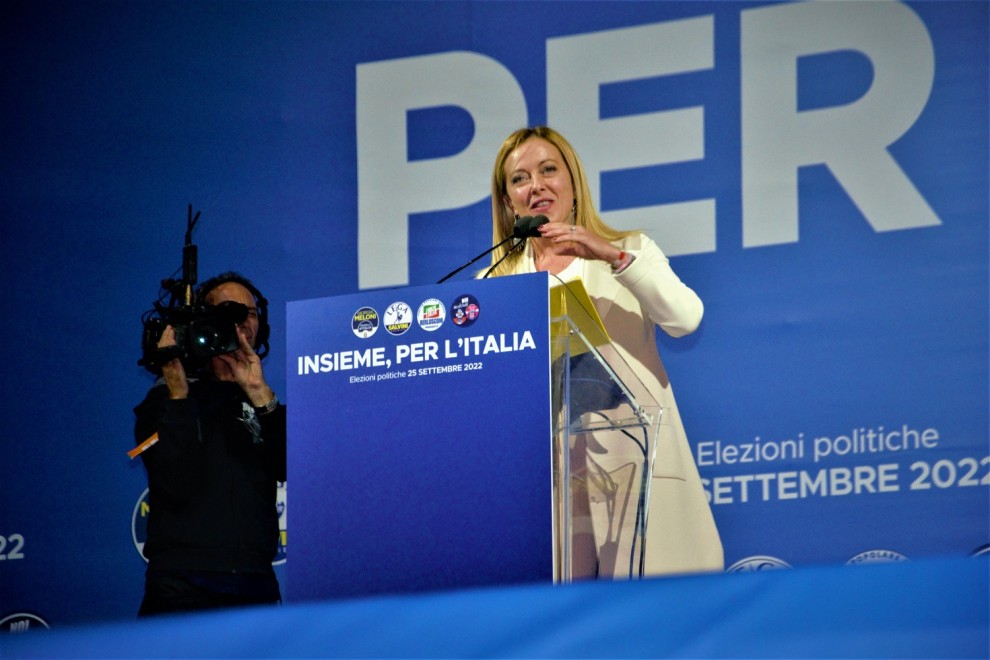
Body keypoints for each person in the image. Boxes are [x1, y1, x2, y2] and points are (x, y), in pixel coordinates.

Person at [488, 126, 723, 577]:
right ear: (508, 202)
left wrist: (612, 258)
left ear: (573, 183)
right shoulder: (493, 288)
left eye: (548, 170)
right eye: (519, 179)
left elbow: (686, 318)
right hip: (551, 495)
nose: (536, 185)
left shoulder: (630, 252)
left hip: (636, 475)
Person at [133, 271, 286, 616]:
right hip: (183, 584)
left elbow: (292, 465)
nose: (242, 321)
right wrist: (178, 395)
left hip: (255, 582)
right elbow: (175, 480)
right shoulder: (164, 399)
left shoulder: (264, 402)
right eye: (229, 312)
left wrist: (260, 393)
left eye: (250, 313)